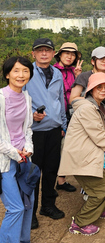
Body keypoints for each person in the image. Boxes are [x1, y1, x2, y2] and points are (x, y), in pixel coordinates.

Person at [58, 72, 105, 236]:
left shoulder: (99, 107)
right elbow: (100, 137)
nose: (103, 90)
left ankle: (99, 210)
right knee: (103, 187)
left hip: (94, 153)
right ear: (91, 90)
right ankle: (79, 222)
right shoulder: (87, 108)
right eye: (98, 87)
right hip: (82, 157)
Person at [24, 38, 68, 229]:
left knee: (51, 170)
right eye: (39, 51)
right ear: (33, 54)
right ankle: (30, 213)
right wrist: (31, 116)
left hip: (54, 130)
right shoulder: (27, 73)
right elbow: (19, 100)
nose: (44, 54)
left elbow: (61, 101)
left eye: (47, 51)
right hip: (34, 132)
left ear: (52, 54)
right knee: (33, 174)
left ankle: (48, 206)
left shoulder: (57, 73)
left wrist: (63, 125)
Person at [0, 56, 37, 242]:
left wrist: (28, 149)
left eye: (25, 71)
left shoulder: (26, 97)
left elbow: (27, 128)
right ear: (7, 74)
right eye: (15, 70)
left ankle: (23, 240)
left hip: (23, 159)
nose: (21, 75)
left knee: (27, 204)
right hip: (5, 161)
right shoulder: (0, 98)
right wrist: (16, 153)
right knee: (15, 207)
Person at [70, 46, 105, 136]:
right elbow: (72, 99)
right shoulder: (84, 77)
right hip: (89, 122)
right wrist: (96, 98)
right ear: (93, 61)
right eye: (101, 59)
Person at [53, 42, 83, 193]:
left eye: (73, 54)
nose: (69, 56)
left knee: (68, 146)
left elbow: (78, 93)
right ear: (59, 55)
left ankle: (61, 180)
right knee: (57, 147)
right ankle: (57, 180)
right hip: (57, 114)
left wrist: (78, 77)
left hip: (72, 113)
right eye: (66, 53)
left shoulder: (74, 72)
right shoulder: (52, 71)